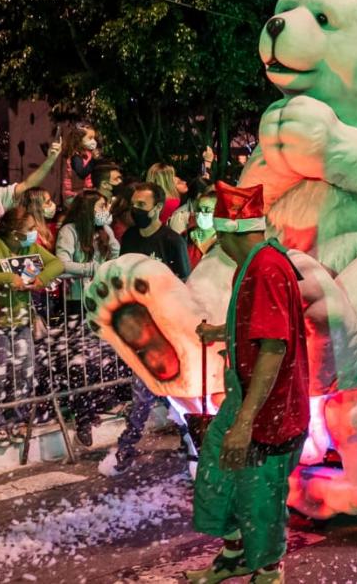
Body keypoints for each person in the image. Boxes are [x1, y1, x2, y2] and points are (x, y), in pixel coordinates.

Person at [185, 182, 309, 584]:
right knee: (219, 472)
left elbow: (273, 347)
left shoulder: (267, 268)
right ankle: (235, 554)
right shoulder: (256, 263)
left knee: (260, 492)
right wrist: (223, 332)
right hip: (247, 397)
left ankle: (267, 572)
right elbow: (262, 326)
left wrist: (245, 422)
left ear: (224, 234)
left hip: (268, 407)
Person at [105, 181, 192, 472]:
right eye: (134, 204)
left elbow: (184, 283)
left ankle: (190, 442)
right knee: (142, 394)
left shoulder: (171, 241)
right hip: (140, 331)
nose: (136, 210)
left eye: (142, 206)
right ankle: (127, 447)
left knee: (174, 393)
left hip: (168, 331)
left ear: (157, 208)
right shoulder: (130, 237)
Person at [0, 206, 64, 442]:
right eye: (30, 229)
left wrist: (41, 278)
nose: (34, 233)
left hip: (21, 320)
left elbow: (57, 264)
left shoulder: (29, 247)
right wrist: (7, 278)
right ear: (14, 232)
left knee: (24, 371)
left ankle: (20, 419)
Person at [55, 190, 120, 446]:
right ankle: (83, 415)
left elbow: (115, 253)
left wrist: (108, 228)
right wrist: (93, 269)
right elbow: (61, 264)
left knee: (100, 360)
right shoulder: (70, 231)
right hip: (76, 303)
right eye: (102, 206)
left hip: (101, 303)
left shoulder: (103, 232)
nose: (106, 210)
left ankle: (97, 406)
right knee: (80, 362)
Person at [59, 121, 100, 205]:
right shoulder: (76, 157)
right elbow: (82, 173)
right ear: (79, 139)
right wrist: (93, 160)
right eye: (90, 138)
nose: (93, 141)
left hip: (84, 192)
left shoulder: (87, 153)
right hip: (73, 196)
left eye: (94, 138)